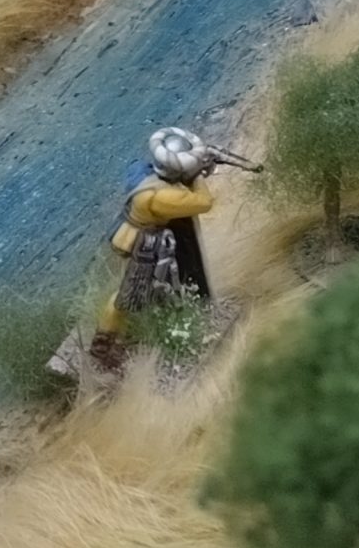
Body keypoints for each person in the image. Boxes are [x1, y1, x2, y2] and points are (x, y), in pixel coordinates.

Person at [93, 127, 253, 370]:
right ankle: (103, 348)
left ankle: (117, 338)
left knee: (142, 292)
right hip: (143, 244)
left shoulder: (143, 172)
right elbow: (204, 203)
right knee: (126, 297)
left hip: (130, 233)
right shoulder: (161, 197)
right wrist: (198, 174)